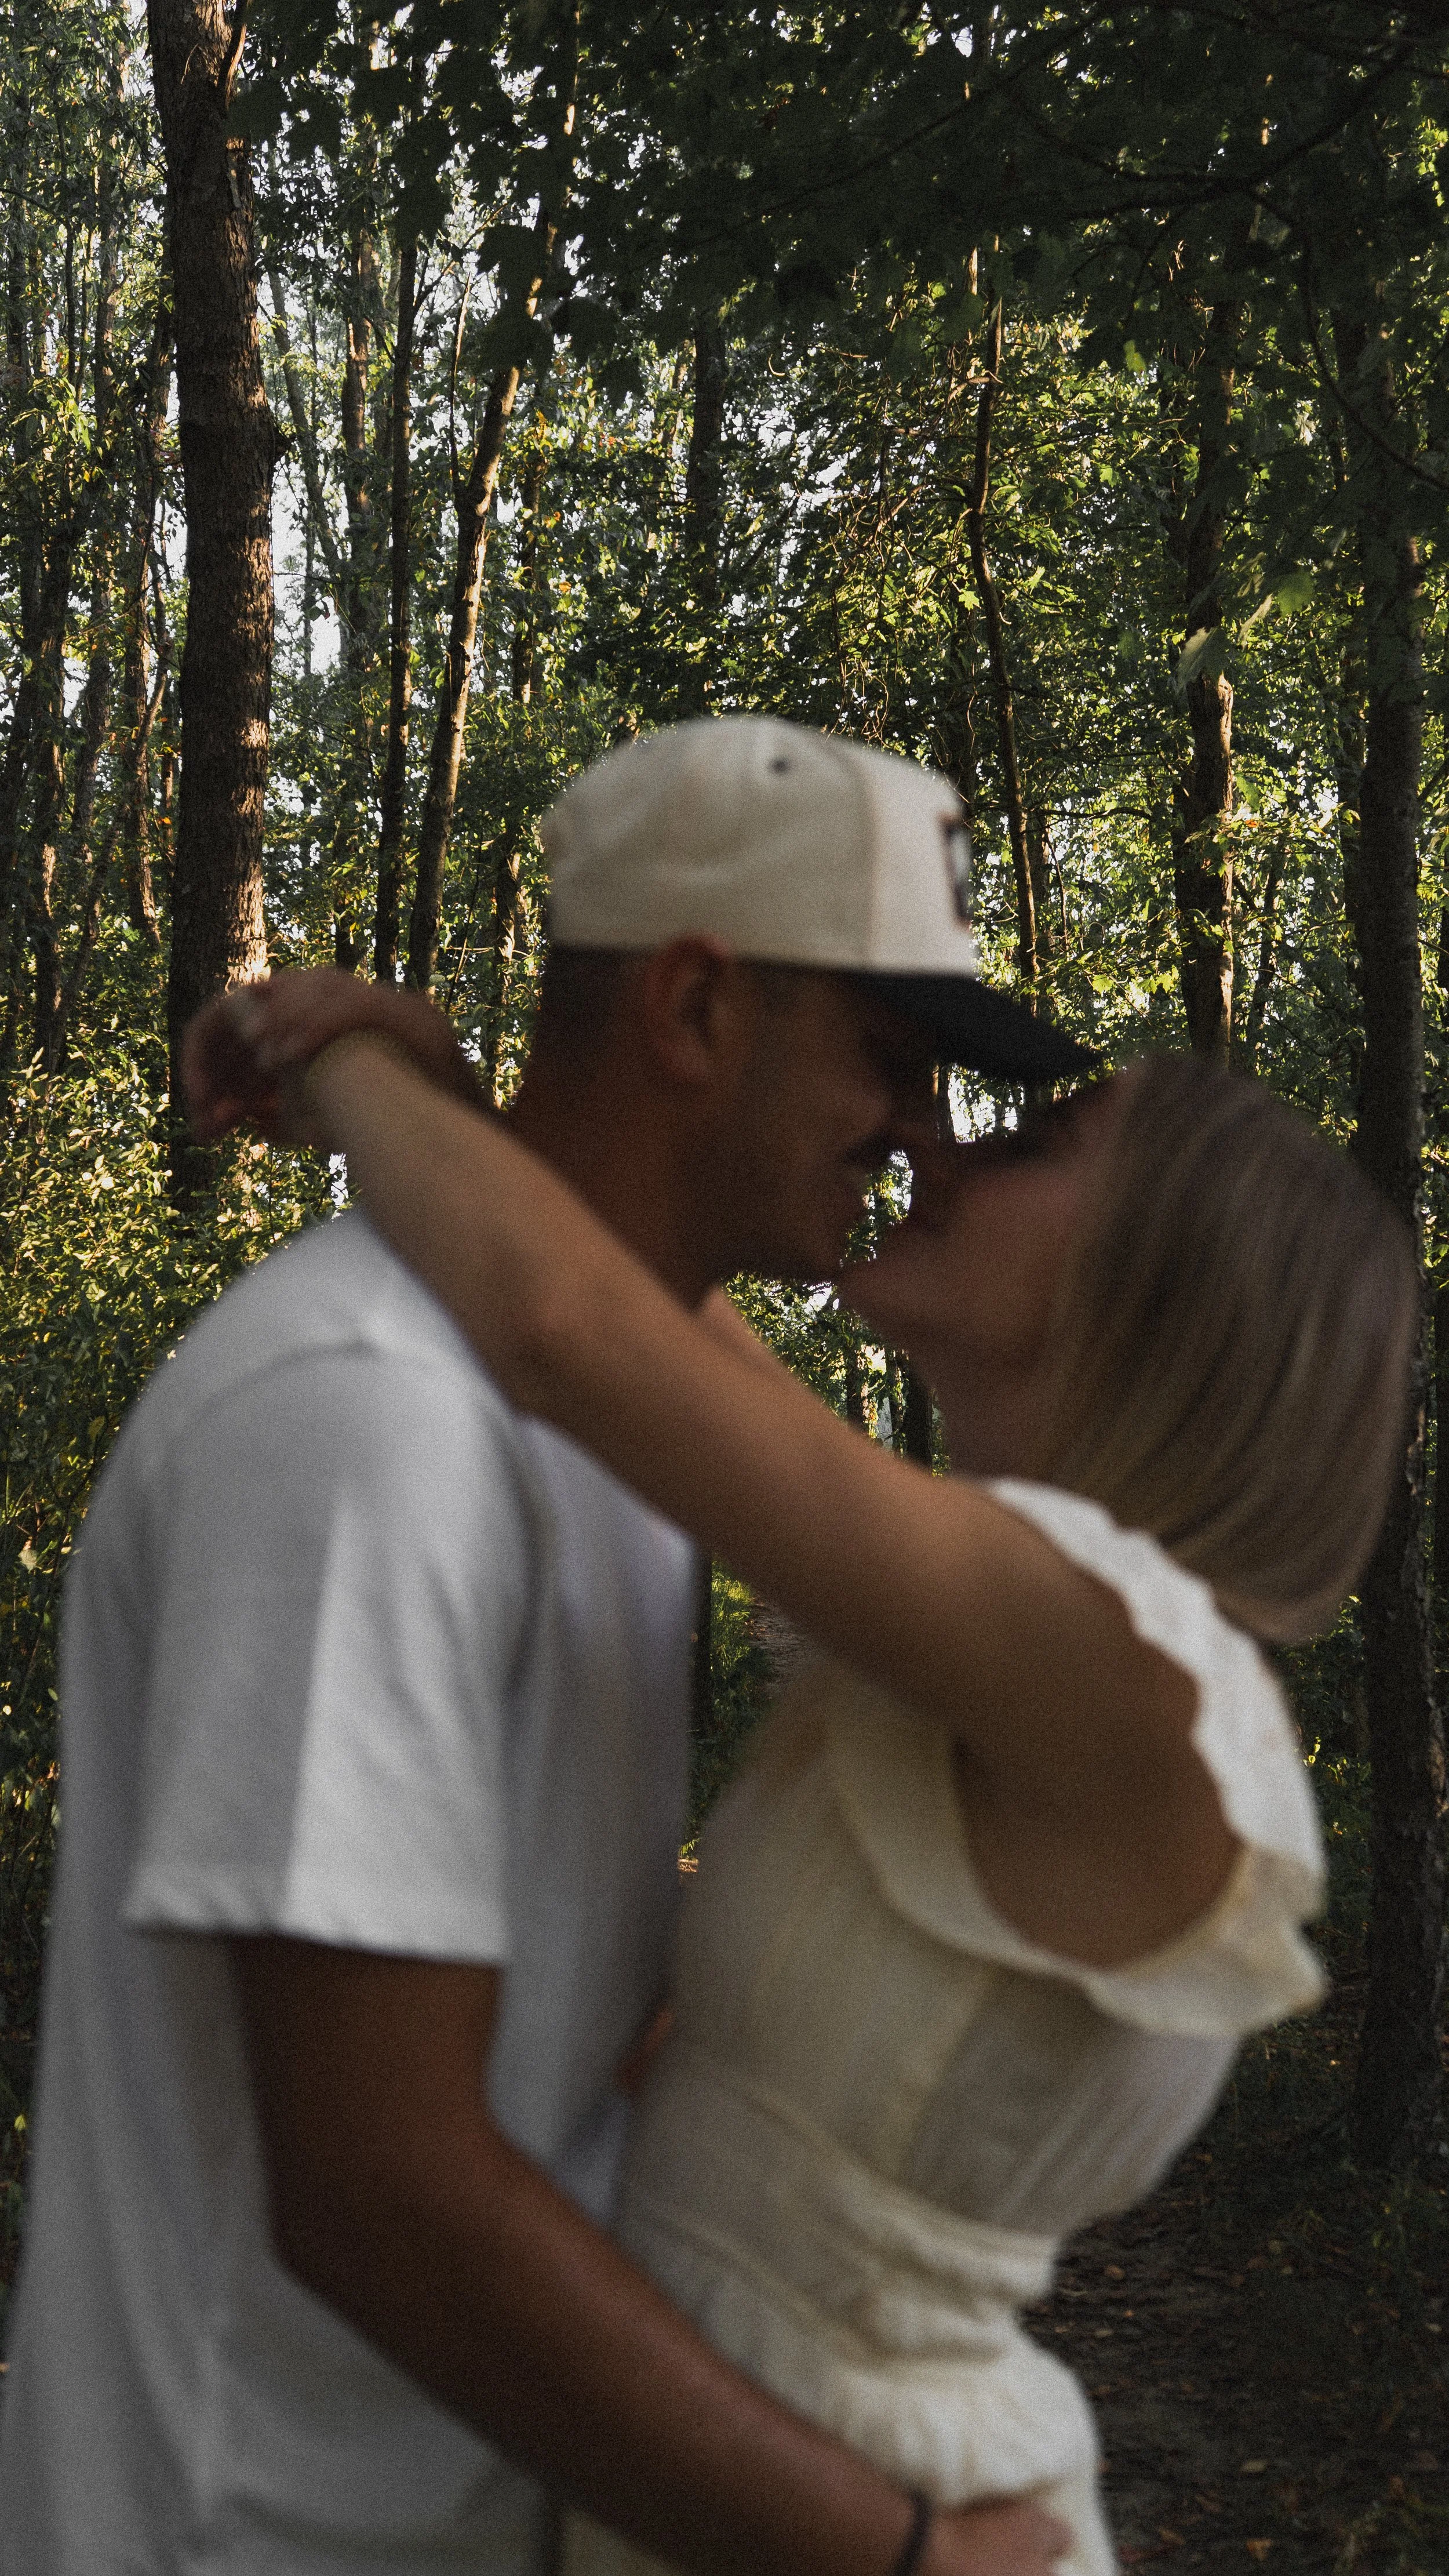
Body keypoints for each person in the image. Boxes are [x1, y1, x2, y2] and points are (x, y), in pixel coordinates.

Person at [1, 719, 1089, 2576]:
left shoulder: (629, 1433)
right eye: (888, 1061)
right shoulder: (371, 1418)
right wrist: (890, 2549)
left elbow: (557, 2042)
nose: (919, 1132)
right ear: (692, 1014)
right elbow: (377, 2192)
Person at [194, 983, 1413, 2576]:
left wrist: (345, 1062)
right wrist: (469, 1109)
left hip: (879, 2508)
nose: (931, 1139)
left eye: (1029, 1143)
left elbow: (568, 1326)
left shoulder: (1129, 1675)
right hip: (755, 2480)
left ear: (1163, 1295)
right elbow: (630, 1313)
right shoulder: (1011, 1648)